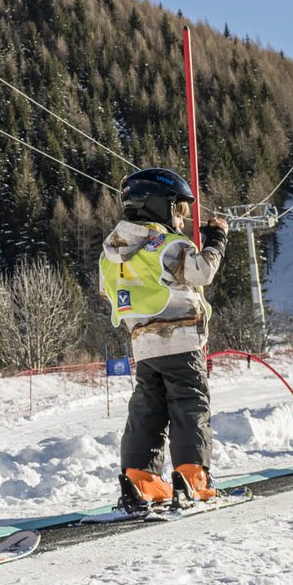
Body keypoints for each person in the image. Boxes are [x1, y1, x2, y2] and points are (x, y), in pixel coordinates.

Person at [99, 168, 228, 512]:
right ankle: (191, 477)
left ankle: (141, 481)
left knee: (147, 410)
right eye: (179, 210)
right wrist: (216, 240)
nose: (183, 220)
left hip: (143, 343)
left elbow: (106, 290)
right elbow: (202, 272)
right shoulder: (167, 245)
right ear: (158, 206)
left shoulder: (111, 253)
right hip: (182, 338)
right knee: (189, 404)